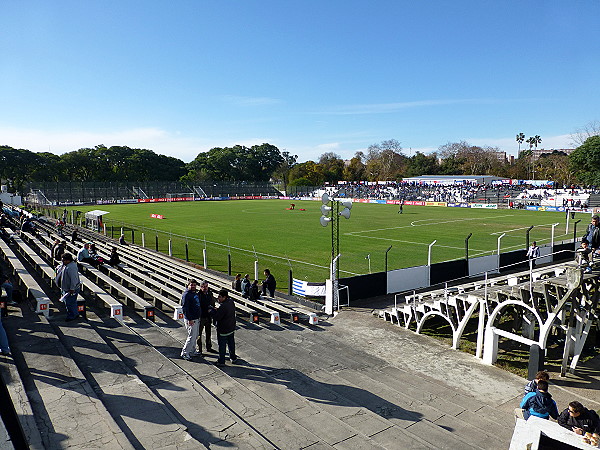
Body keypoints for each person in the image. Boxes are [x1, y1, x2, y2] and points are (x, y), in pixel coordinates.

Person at [209, 288, 238, 367]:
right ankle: (233, 357)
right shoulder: (231, 302)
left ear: (224, 297)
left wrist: (211, 312)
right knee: (231, 343)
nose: (218, 298)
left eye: (220, 297)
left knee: (222, 346)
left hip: (223, 329)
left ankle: (221, 361)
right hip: (231, 327)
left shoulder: (223, 306)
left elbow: (217, 317)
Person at [55, 253, 82, 321]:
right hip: (66, 287)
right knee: (70, 302)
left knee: (70, 303)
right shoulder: (66, 265)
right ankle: (74, 313)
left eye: (64, 260)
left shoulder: (71, 267)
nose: (62, 262)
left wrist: (72, 288)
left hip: (71, 289)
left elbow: (74, 279)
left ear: (68, 260)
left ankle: (72, 315)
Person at [180, 279, 201, 360]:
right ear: (188, 285)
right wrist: (189, 319)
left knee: (195, 336)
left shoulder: (193, 293)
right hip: (191, 319)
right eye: (191, 285)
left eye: (194, 285)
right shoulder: (186, 295)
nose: (193, 286)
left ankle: (192, 350)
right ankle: (185, 353)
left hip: (196, 318)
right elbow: (185, 308)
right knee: (191, 337)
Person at [196, 280, 216, 355]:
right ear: (200, 287)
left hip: (208, 317)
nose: (205, 288)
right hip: (201, 317)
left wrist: (212, 309)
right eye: (203, 286)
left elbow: (212, 302)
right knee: (199, 334)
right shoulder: (198, 295)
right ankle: (199, 349)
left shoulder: (210, 294)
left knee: (209, 333)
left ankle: (209, 347)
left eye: (206, 286)